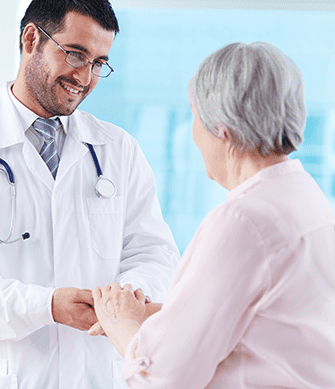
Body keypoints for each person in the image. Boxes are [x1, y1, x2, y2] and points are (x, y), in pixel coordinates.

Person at [0, 0, 179, 388]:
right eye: (76, 54)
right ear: (31, 38)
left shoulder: (118, 150)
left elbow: (155, 253)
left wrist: (122, 301)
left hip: (95, 373)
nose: (85, 76)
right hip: (4, 374)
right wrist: (46, 306)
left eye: (98, 63)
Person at [91, 42, 335, 388]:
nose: (193, 135)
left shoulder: (242, 222)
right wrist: (163, 315)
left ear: (221, 128)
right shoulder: (306, 198)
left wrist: (121, 322)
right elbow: (269, 322)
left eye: (194, 117)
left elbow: (161, 377)